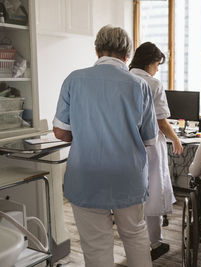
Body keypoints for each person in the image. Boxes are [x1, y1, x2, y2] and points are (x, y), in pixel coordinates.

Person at [53, 25, 157, 267]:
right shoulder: (140, 86)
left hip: (86, 177)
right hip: (128, 177)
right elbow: (149, 140)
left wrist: (83, 132)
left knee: (96, 244)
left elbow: (60, 132)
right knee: (135, 236)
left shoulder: (74, 80)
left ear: (97, 51)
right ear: (127, 55)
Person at [129, 42, 183, 260]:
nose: (158, 69)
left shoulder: (125, 77)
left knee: (132, 198)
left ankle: (135, 245)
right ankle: (155, 243)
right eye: (157, 64)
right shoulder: (153, 84)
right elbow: (161, 122)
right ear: (150, 62)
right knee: (153, 194)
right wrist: (176, 140)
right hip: (149, 146)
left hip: (126, 145)